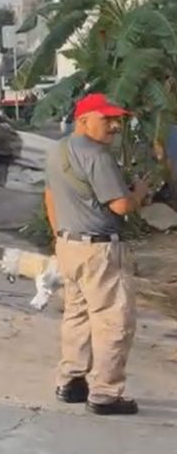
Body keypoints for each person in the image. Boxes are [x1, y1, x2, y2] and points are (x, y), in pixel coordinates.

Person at [44, 92, 148, 416]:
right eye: (107, 119)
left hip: (69, 245)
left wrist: (59, 238)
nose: (115, 126)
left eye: (116, 119)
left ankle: (71, 381)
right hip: (100, 250)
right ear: (83, 120)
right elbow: (120, 205)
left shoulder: (57, 151)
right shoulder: (97, 156)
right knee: (113, 320)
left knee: (76, 314)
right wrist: (140, 193)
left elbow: (49, 196)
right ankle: (105, 394)